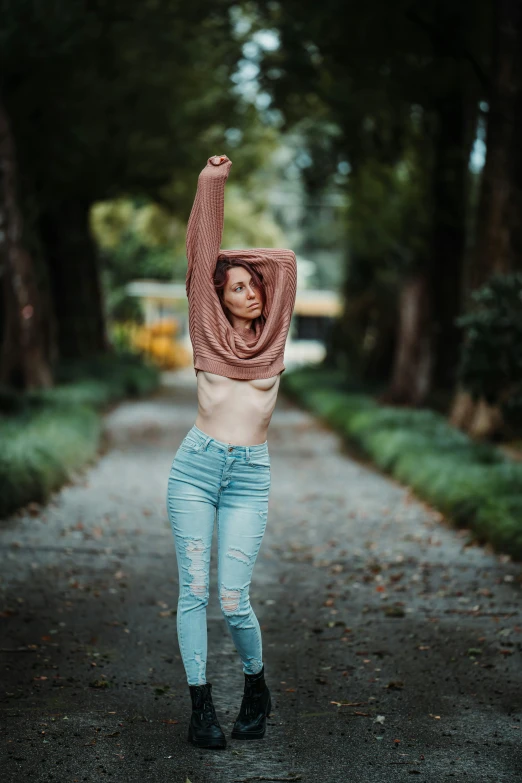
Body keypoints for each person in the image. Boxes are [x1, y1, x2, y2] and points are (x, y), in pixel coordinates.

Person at [166, 154, 297, 750]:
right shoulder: (207, 330)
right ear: (215, 301)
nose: (246, 292)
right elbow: (201, 259)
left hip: (249, 477)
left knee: (233, 598)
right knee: (194, 592)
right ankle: (201, 709)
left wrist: (242, 262)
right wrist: (211, 184)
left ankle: (255, 688)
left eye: (250, 286)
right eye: (234, 287)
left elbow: (284, 263)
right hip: (196, 470)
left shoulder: (273, 336)